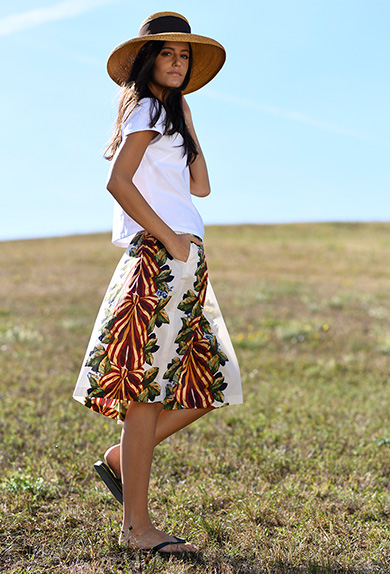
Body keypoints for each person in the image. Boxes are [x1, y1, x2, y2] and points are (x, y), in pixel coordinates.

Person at [73, 11, 242, 554]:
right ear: (147, 60)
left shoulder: (169, 114)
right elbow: (117, 182)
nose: (177, 63)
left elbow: (202, 185)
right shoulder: (146, 107)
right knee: (147, 394)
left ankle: (122, 461)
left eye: (184, 56)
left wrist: (187, 121)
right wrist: (169, 239)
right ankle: (138, 530)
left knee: (210, 383)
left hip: (186, 261)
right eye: (167, 54)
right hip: (162, 257)